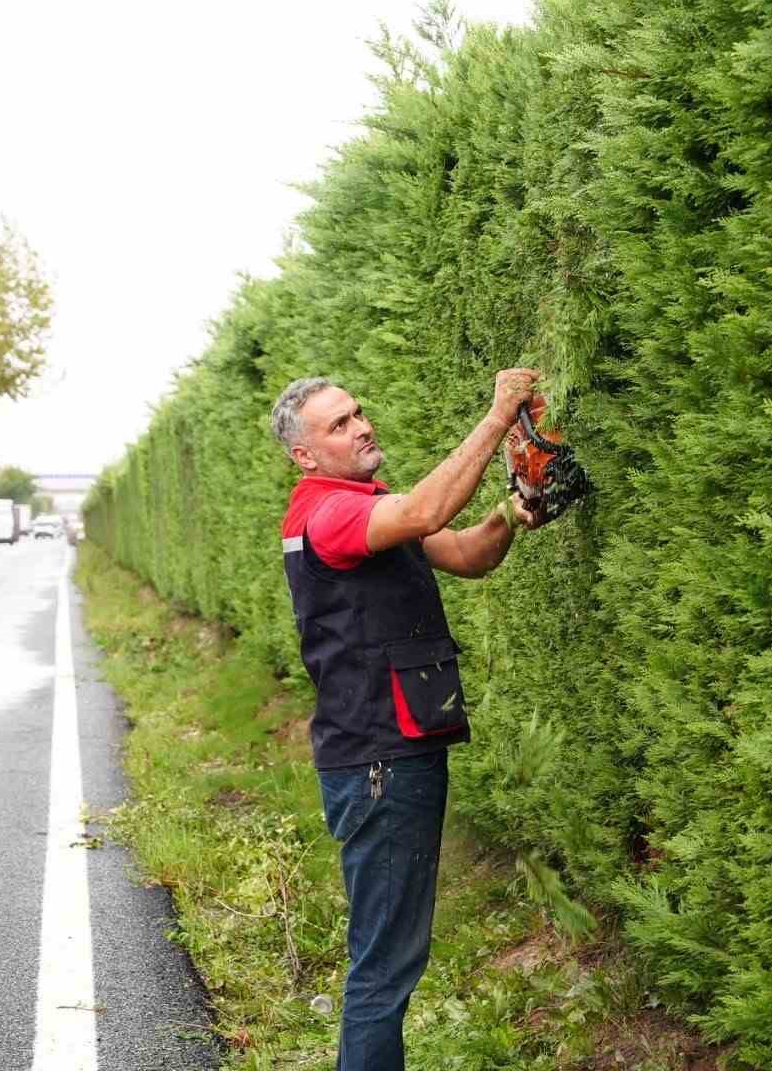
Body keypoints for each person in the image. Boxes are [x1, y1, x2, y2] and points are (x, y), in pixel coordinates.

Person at [271, 370, 543, 1071]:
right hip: (379, 764)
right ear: (305, 455)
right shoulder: (329, 515)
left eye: (358, 412)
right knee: (383, 969)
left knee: (388, 961)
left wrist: (513, 512)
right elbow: (424, 513)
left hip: (390, 757)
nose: (361, 426)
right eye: (338, 425)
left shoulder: (362, 509)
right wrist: (498, 416)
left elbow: (463, 553)